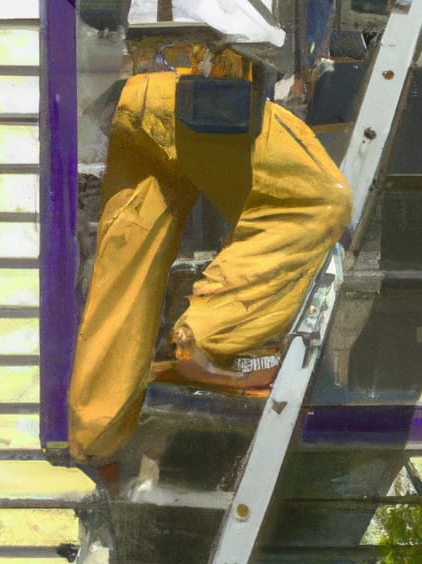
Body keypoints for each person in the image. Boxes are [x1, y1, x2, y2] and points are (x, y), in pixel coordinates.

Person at [68, 0, 352, 466]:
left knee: (125, 273)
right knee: (317, 198)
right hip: (202, 86)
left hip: (139, 91)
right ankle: (199, 342)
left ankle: (94, 435)